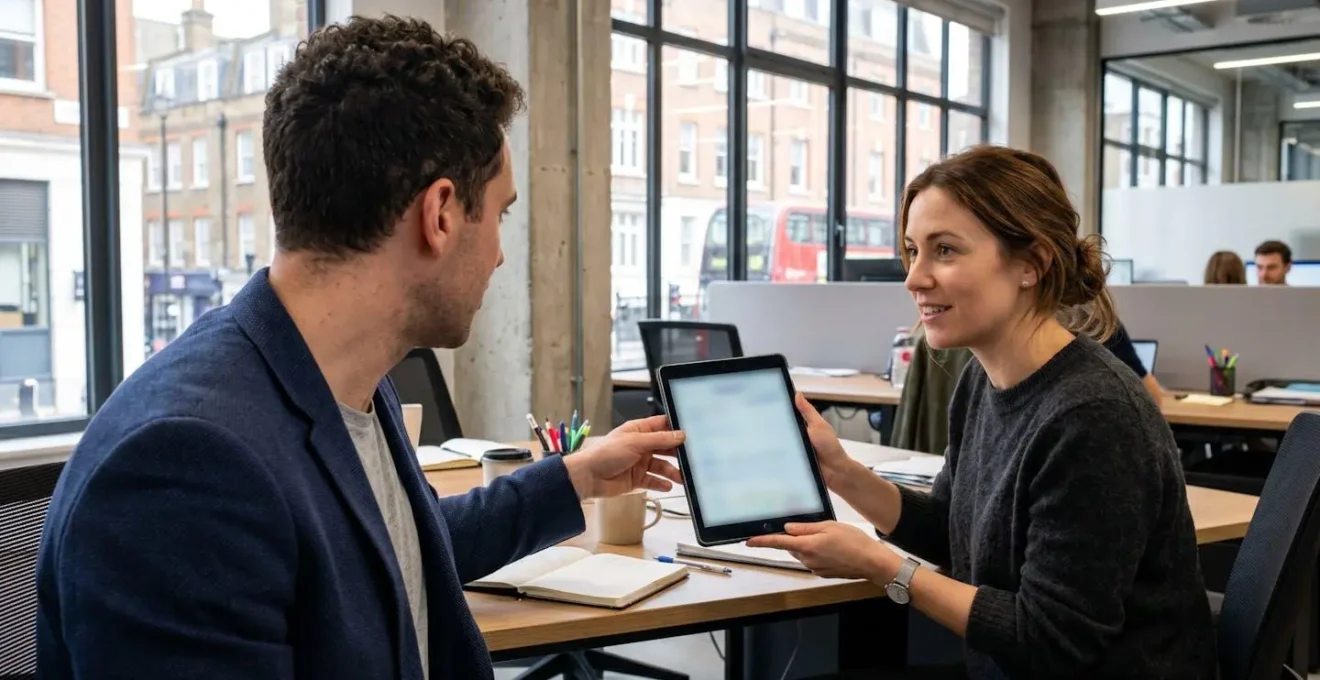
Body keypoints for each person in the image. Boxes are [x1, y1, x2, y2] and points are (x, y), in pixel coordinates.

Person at [36, 17, 684, 680]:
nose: (498, 254)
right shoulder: (186, 469)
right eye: (499, 215)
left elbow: (399, 549)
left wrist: (577, 477)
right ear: (439, 215)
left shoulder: (344, 380)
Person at [749, 146, 1216, 678]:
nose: (914, 278)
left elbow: (1050, 639)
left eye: (944, 250)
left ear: (1031, 265)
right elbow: (953, 533)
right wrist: (842, 474)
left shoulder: (1093, 415)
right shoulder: (981, 378)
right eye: (912, 250)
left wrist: (882, 566)